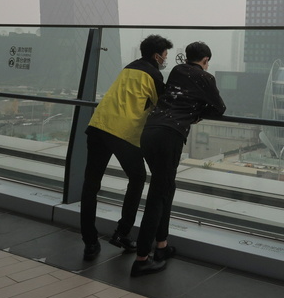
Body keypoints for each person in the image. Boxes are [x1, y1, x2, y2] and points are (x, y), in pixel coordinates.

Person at [131, 41, 226, 276]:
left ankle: (161, 246)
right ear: (205, 61)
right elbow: (220, 108)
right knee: (157, 195)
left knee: (166, 188)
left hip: (150, 131)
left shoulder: (176, 70)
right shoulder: (206, 78)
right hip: (169, 136)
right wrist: (196, 114)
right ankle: (142, 258)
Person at [80, 34, 173, 261]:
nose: (165, 59)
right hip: (121, 133)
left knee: (90, 186)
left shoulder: (127, 68)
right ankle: (122, 232)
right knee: (138, 177)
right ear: (156, 55)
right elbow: (165, 105)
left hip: (98, 126)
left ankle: (90, 243)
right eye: (165, 55)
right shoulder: (154, 75)